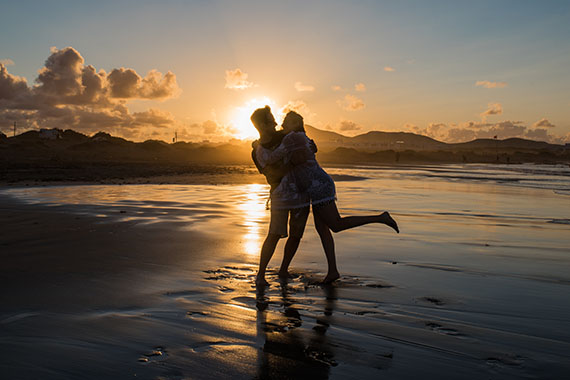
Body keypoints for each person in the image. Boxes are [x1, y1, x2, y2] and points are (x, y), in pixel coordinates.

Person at [268, 111, 400, 283]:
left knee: (336, 225)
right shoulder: (301, 137)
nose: (282, 125)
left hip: (319, 187)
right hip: (316, 186)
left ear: (294, 123)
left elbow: (274, 156)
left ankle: (380, 218)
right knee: (322, 230)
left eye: (286, 122)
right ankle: (333, 271)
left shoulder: (293, 137)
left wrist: (258, 147)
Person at [250, 106, 314, 287]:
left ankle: (283, 270)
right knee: (274, 234)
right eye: (271, 121)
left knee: (296, 234)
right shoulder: (256, 151)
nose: (276, 123)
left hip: (301, 191)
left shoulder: (284, 136)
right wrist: (292, 163)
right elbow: (271, 175)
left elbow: (303, 141)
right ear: (262, 125)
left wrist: (311, 147)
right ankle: (260, 275)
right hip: (279, 195)